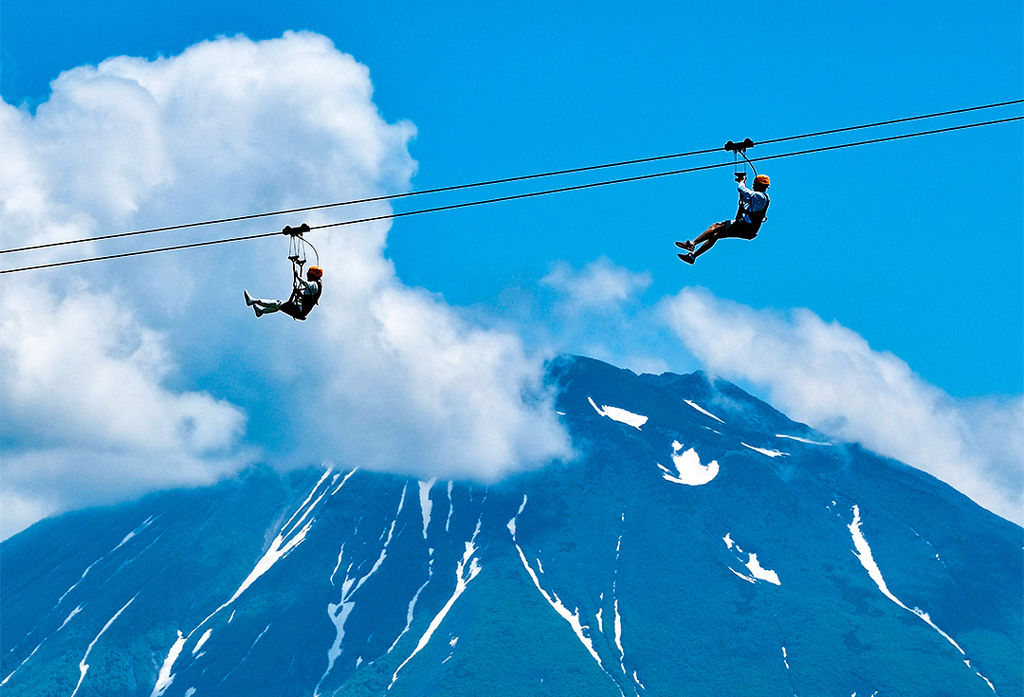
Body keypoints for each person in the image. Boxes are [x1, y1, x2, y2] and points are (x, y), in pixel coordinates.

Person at [677, 172, 770, 264]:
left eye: (754, 184)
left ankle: (692, 243)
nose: (753, 186)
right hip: (746, 229)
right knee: (716, 235)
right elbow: (744, 196)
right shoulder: (758, 198)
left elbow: (741, 189)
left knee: (716, 226)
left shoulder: (760, 196)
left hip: (744, 227)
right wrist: (742, 182)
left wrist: (742, 181)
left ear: (759, 185)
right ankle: (692, 257)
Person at [244, 265, 323, 320]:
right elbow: (307, 299)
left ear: (313, 275)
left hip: (299, 310)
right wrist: (299, 294)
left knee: (278, 304)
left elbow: (306, 284)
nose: (307, 276)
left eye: (309, 275)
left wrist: (297, 276)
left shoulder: (315, 284)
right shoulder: (315, 287)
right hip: (300, 312)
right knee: (280, 306)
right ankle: (261, 311)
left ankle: (253, 301)